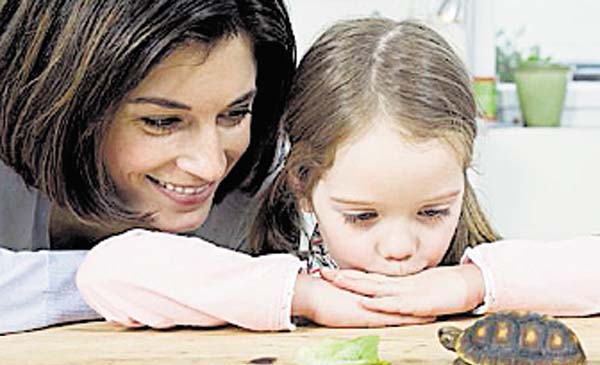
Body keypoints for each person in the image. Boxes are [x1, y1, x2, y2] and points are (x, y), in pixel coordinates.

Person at [77, 18, 600, 332]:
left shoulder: (475, 278)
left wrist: (472, 283)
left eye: (433, 211)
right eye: (363, 216)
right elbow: (107, 273)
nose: (400, 247)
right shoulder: (285, 272)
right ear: (303, 186)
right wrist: (304, 298)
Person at [0, 0, 296, 334]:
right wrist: (169, 283)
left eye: (235, 113)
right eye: (162, 122)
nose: (210, 166)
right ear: (63, 108)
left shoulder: (267, 178)